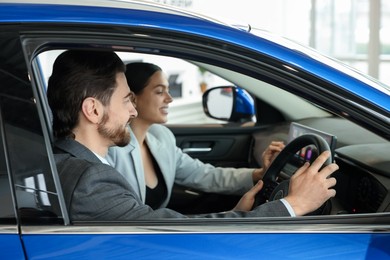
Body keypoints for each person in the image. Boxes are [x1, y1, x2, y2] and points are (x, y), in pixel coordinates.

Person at [47, 49, 338, 221]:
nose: (133, 112)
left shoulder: (76, 163)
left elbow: (196, 185)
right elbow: (170, 235)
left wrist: (239, 208)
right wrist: (293, 205)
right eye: (126, 100)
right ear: (93, 111)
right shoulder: (91, 182)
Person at [107, 62, 285, 211]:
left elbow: (204, 175)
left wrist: (258, 174)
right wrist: (232, 216)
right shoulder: (111, 148)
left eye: (168, 90)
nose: (169, 98)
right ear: (133, 99)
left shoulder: (161, 137)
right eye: (160, 91)